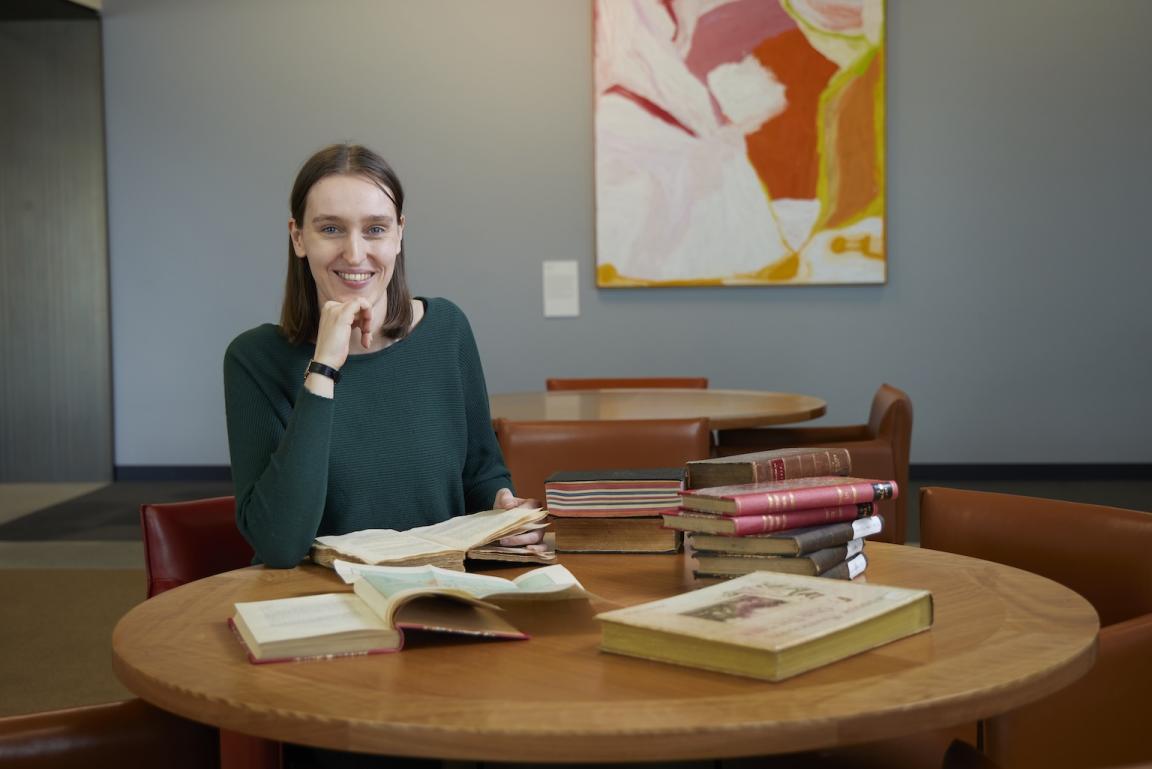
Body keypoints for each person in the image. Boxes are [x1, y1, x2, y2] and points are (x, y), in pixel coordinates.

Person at [224, 143, 538, 572]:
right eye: (331, 229)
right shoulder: (254, 359)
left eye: (375, 229)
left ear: (399, 233)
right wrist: (323, 369)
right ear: (299, 237)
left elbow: (481, 472)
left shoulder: (447, 330)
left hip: (438, 594)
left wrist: (502, 506)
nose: (355, 254)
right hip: (318, 607)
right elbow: (280, 545)